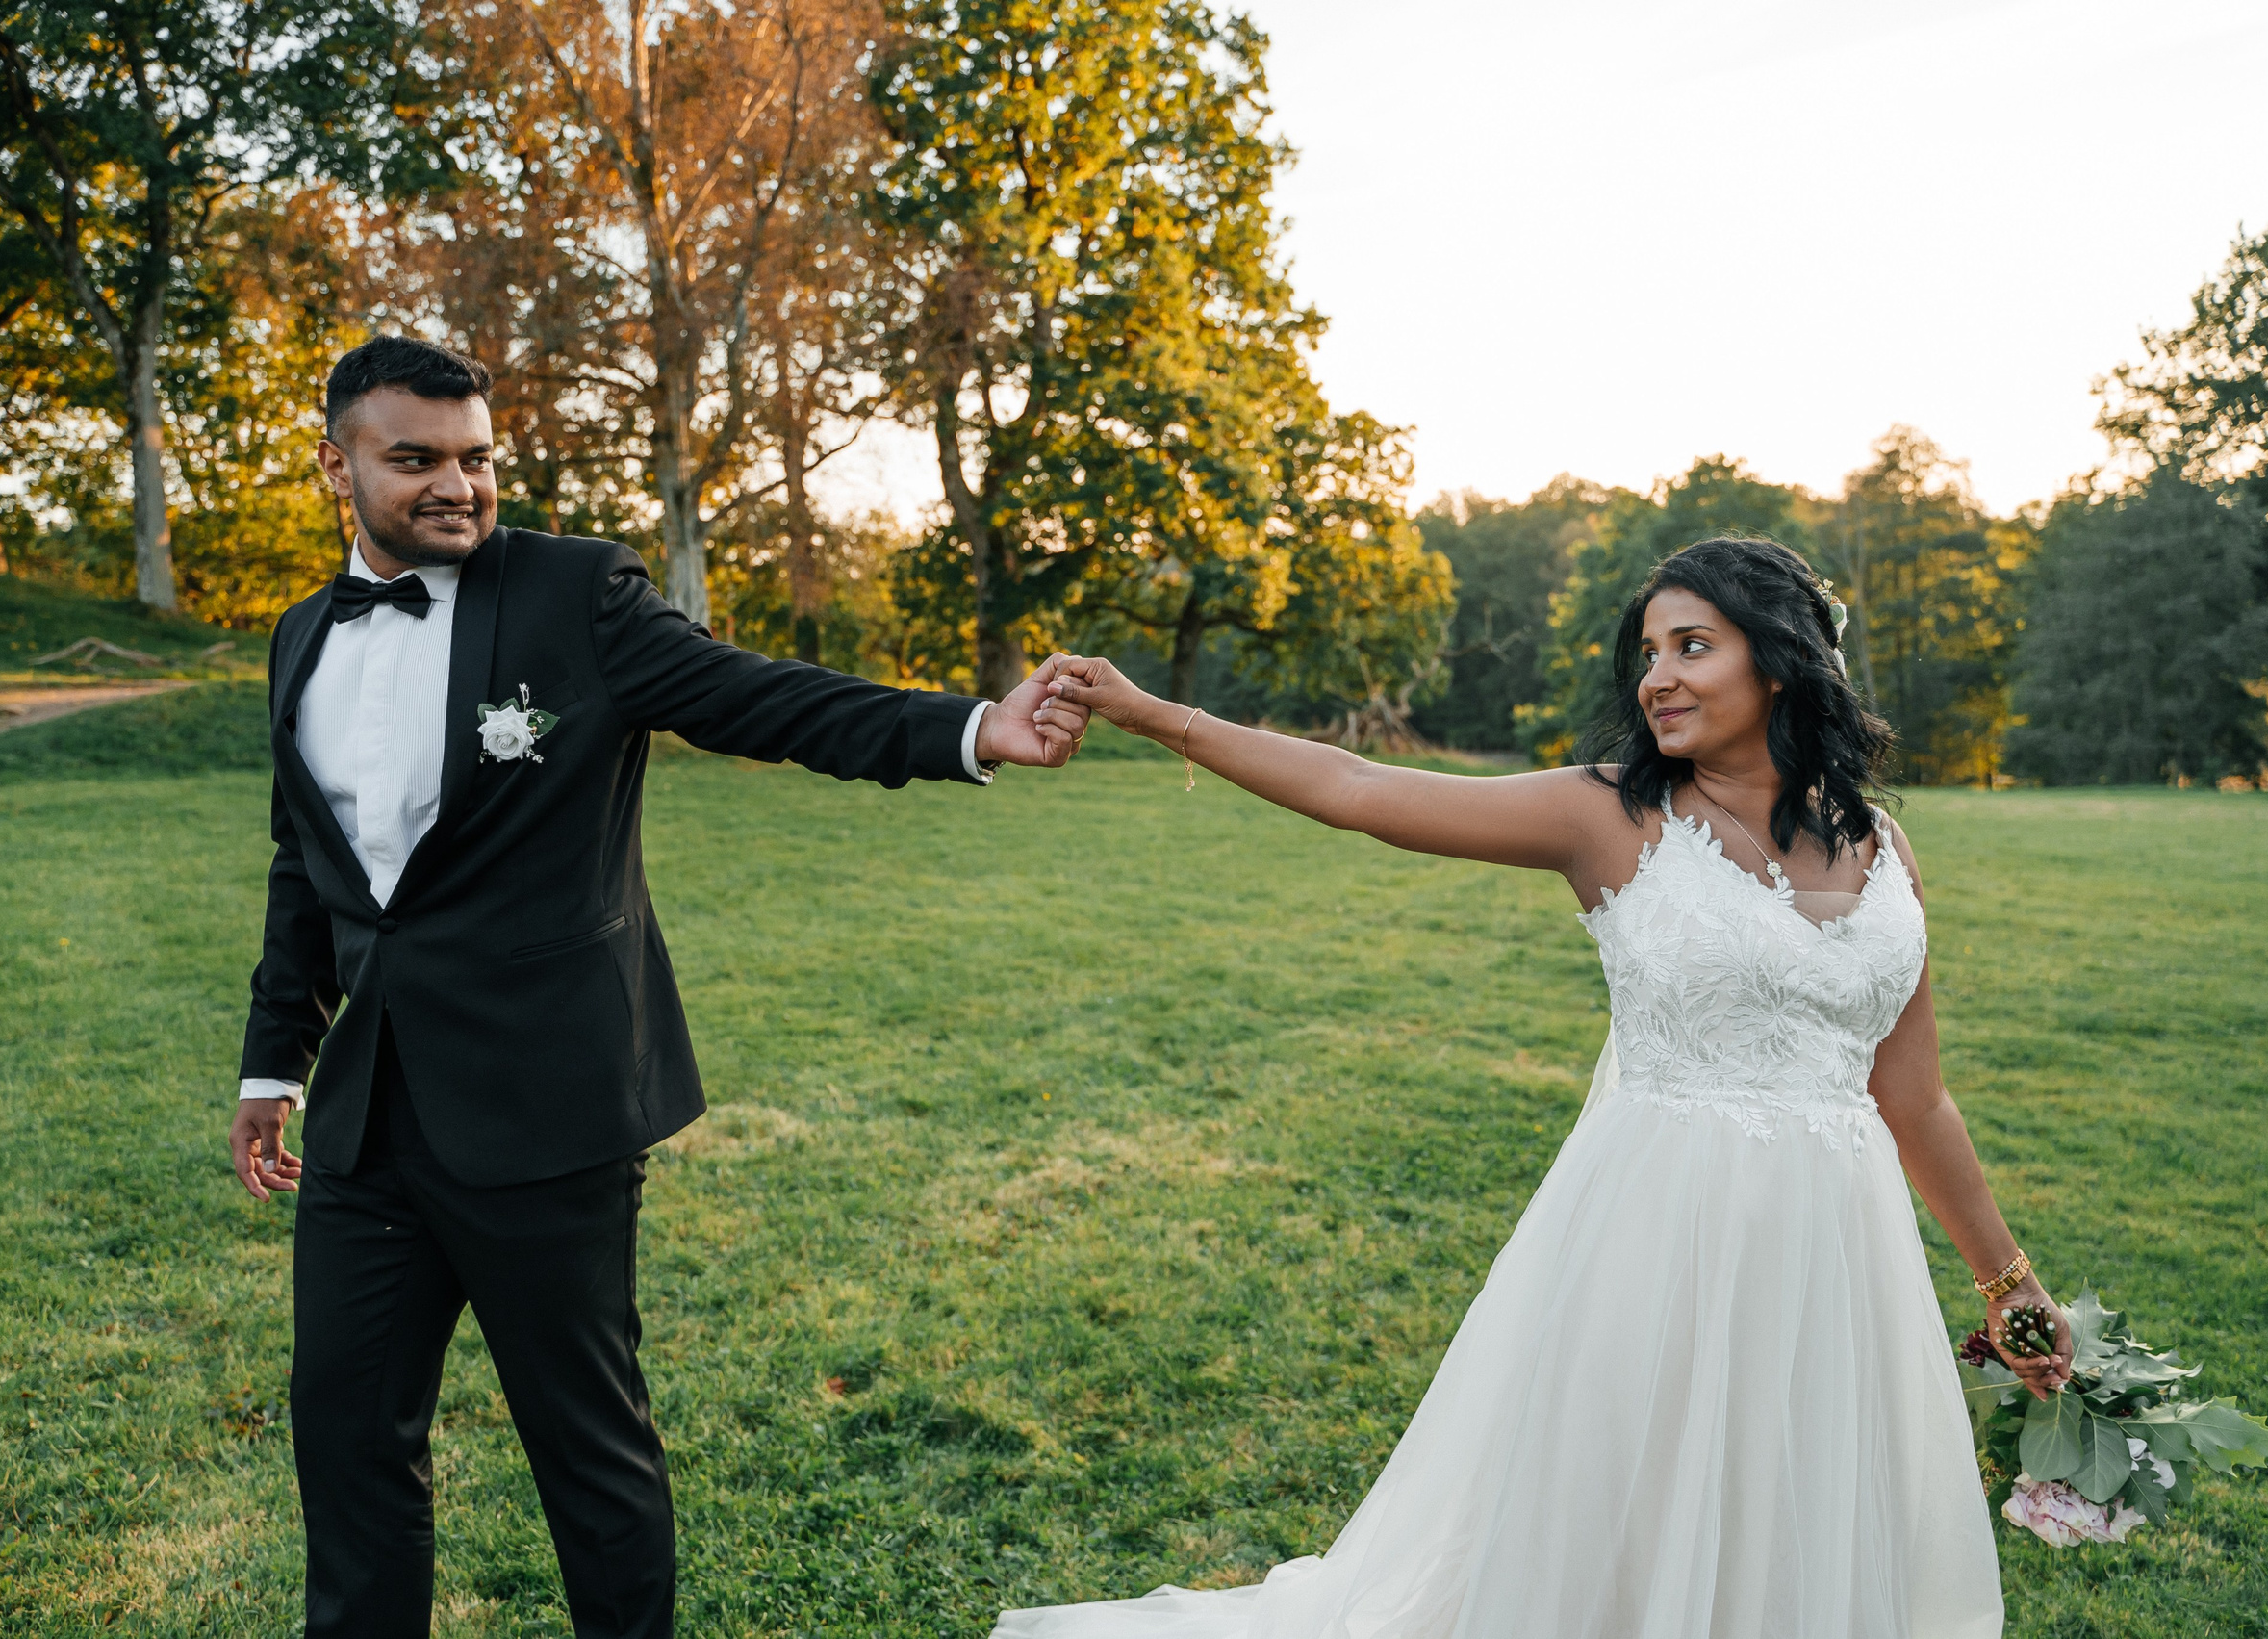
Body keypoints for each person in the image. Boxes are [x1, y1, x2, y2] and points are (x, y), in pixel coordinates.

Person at [1005, 537, 2066, 1639]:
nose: (1655, 676)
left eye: (1691, 645)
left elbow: (1915, 1096)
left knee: (1793, 1512)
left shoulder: (1883, 843)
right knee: (1622, 1525)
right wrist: (1154, 713)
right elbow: (1360, 787)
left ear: (1783, 661)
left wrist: (2008, 1282)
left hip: (1838, 1255)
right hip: (1655, 1244)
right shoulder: (1605, 816)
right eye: (1646, 652)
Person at [225, 334, 1089, 1639]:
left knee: (589, 1453)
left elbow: (762, 699)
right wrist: (272, 1062)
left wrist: (971, 727)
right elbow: (311, 868)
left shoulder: (577, 595)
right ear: (335, 463)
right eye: (416, 460)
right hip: (368, 1120)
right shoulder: (300, 638)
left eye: (476, 459)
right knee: (344, 1433)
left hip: (547, 1109)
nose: (457, 485)